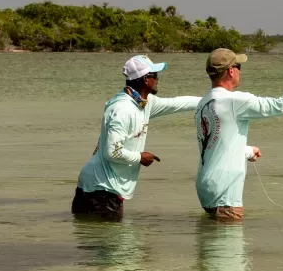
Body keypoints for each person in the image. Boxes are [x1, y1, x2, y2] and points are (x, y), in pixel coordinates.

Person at [194, 48, 283, 222]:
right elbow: (279, 106)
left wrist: (246, 151)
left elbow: (213, 145)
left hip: (206, 189)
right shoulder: (234, 101)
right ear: (231, 71)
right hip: (225, 194)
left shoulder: (204, 102)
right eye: (238, 66)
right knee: (229, 248)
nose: (240, 71)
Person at [72, 54, 201, 221]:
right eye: (155, 75)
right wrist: (140, 157)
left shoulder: (144, 102)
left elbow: (177, 103)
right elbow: (112, 152)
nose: (157, 79)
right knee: (112, 243)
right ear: (146, 80)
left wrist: (213, 99)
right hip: (101, 189)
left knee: (96, 240)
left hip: (101, 186)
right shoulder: (123, 109)